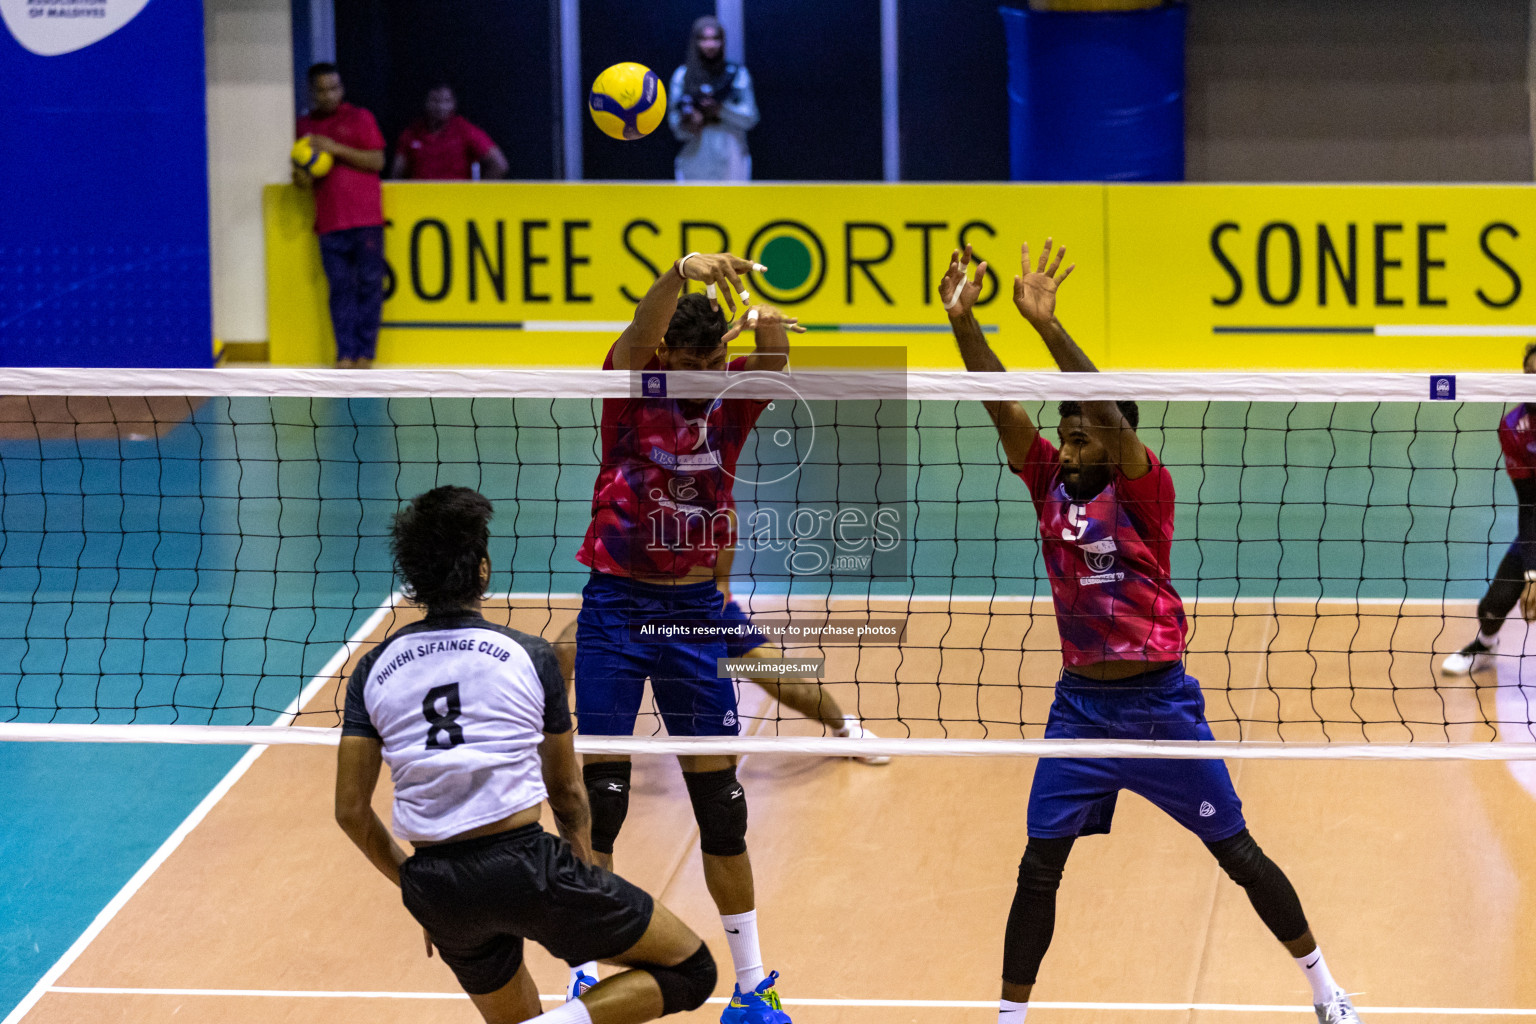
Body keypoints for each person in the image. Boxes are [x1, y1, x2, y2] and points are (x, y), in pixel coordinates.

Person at [940, 240, 1364, 1024]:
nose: (1067, 451)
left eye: (1081, 440)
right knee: (1039, 870)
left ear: (1115, 442)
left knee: (1237, 854)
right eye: (1062, 440)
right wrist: (965, 324)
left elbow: (1100, 402)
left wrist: (1048, 329)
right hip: (1079, 714)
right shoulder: (1048, 483)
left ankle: (1326, 991)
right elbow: (1000, 402)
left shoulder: (1144, 490)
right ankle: (1009, 1019)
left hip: (1162, 711)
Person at [335, 485, 718, 1024]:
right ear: (483, 569)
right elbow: (565, 791)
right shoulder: (529, 656)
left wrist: (417, 888)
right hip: (526, 866)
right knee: (692, 970)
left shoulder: (372, 669)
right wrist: (586, 868)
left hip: (436, 882)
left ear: (414, 579)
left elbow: (350, 810)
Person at [574, 252, 799, 1024]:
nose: (704, 374)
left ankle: (753, 984)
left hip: (695, 612)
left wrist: (767, 327)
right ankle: (581, 976)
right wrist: (680, 272)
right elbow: (638, 329)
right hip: (615, 607)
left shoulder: (730, 405)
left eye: (715, 361)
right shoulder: (632, 390)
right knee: (598, 804)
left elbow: (772, 359)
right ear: (667, 355)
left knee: (723, 807)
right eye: (691, 360)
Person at [552, 539, 890, 767]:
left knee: (777, 672)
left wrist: (700, 616)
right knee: (566, 647)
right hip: (628, 610)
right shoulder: (627, 496)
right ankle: (542, 740)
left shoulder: (711, 499)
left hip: (701, 609)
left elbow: (722, 569)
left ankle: (845, 728)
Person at [1441, 342, 1536, 676]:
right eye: (1530, 372)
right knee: (1492, 606)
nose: (1534, 378)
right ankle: (1485, 648)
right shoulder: (1513, 427)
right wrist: (1533, 573)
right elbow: (1530, 503)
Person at [294, 63, 386, 370]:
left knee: (370, 285)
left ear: (342, 89)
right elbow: (303, 174)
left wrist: (335, 148)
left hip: (366, 221)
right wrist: (302, 178)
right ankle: (345, 353)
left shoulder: (360, 119)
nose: (329, 94)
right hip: (330, 223)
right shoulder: (303, 127)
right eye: (321, 89)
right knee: (340, 290)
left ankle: (365, 354)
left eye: (334, 88)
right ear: (312, 91)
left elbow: (376, 160)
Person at [667, 17, 759, 182]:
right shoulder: (682, 76)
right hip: (695, 154)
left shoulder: (736, 74)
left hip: (732, 153)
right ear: (695, 41)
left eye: (715, 39)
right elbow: (674, 124)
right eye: (704, 39)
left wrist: (720, 109)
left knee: (734, 206)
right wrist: (689, 122)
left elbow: (750, 117)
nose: (710, 45)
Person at [391, 82, 509, 181]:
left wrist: (478, 195)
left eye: (447, 101)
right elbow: (396, 174)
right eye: (435, 101)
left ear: (454, 104)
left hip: (456, 200)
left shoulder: (464, 129)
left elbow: (499, 165)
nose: (441, 107)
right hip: (420, 200)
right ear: (425, 102)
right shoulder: (411, 133)